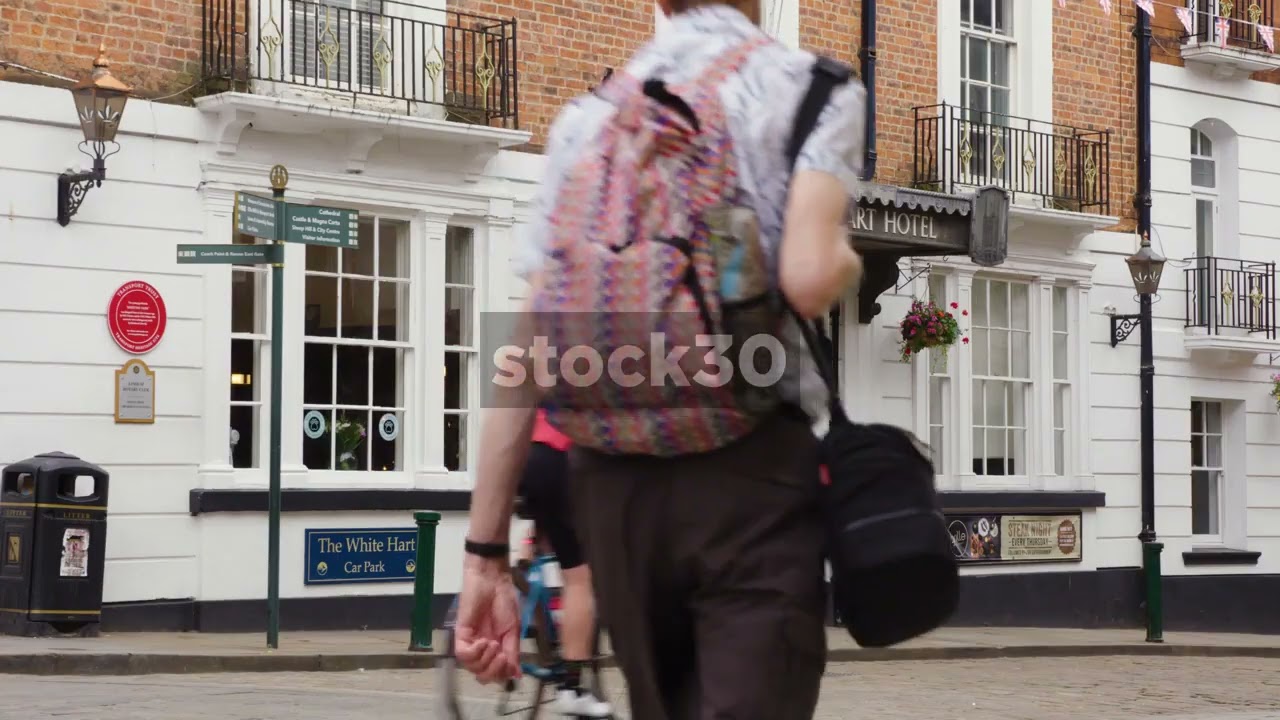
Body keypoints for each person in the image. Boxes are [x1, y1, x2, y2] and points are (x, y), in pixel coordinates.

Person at [454, 0, 865, 718]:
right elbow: (807, 276)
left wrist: (484, 554)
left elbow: (525, 350)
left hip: (613, 489)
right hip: (750, 474)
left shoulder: (586, 121)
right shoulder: (811, 88)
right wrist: (844, 258)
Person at [517, 406, 612, 717]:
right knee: (579, 578)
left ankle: (526, 565)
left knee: (549, 526)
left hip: (524, 456)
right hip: (559, 458)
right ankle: (571, 688)